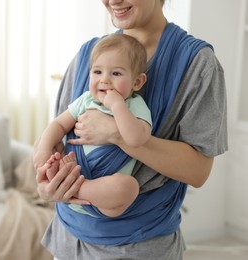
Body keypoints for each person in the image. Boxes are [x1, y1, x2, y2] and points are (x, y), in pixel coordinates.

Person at [33, 0, 228, 259]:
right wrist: (47, 185)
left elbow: (199, 171)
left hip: (138, 246)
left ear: (138, 81)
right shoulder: (87, 55)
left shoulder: (197, 64)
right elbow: (55, 139)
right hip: (69, 239)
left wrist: (116, 133)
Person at [34, 33, 151, 218]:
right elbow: (59, 124)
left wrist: (117, 105)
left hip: (102, 200)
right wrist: (44, 149)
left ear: (137, 82)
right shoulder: (86, 100)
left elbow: (136, 139)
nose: (104, 80)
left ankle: (75, 187)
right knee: (49, 145)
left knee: (127, 187)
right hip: (74, 168)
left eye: (116, 73)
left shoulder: (134, 106)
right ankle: (59, 176)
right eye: (97, 72)